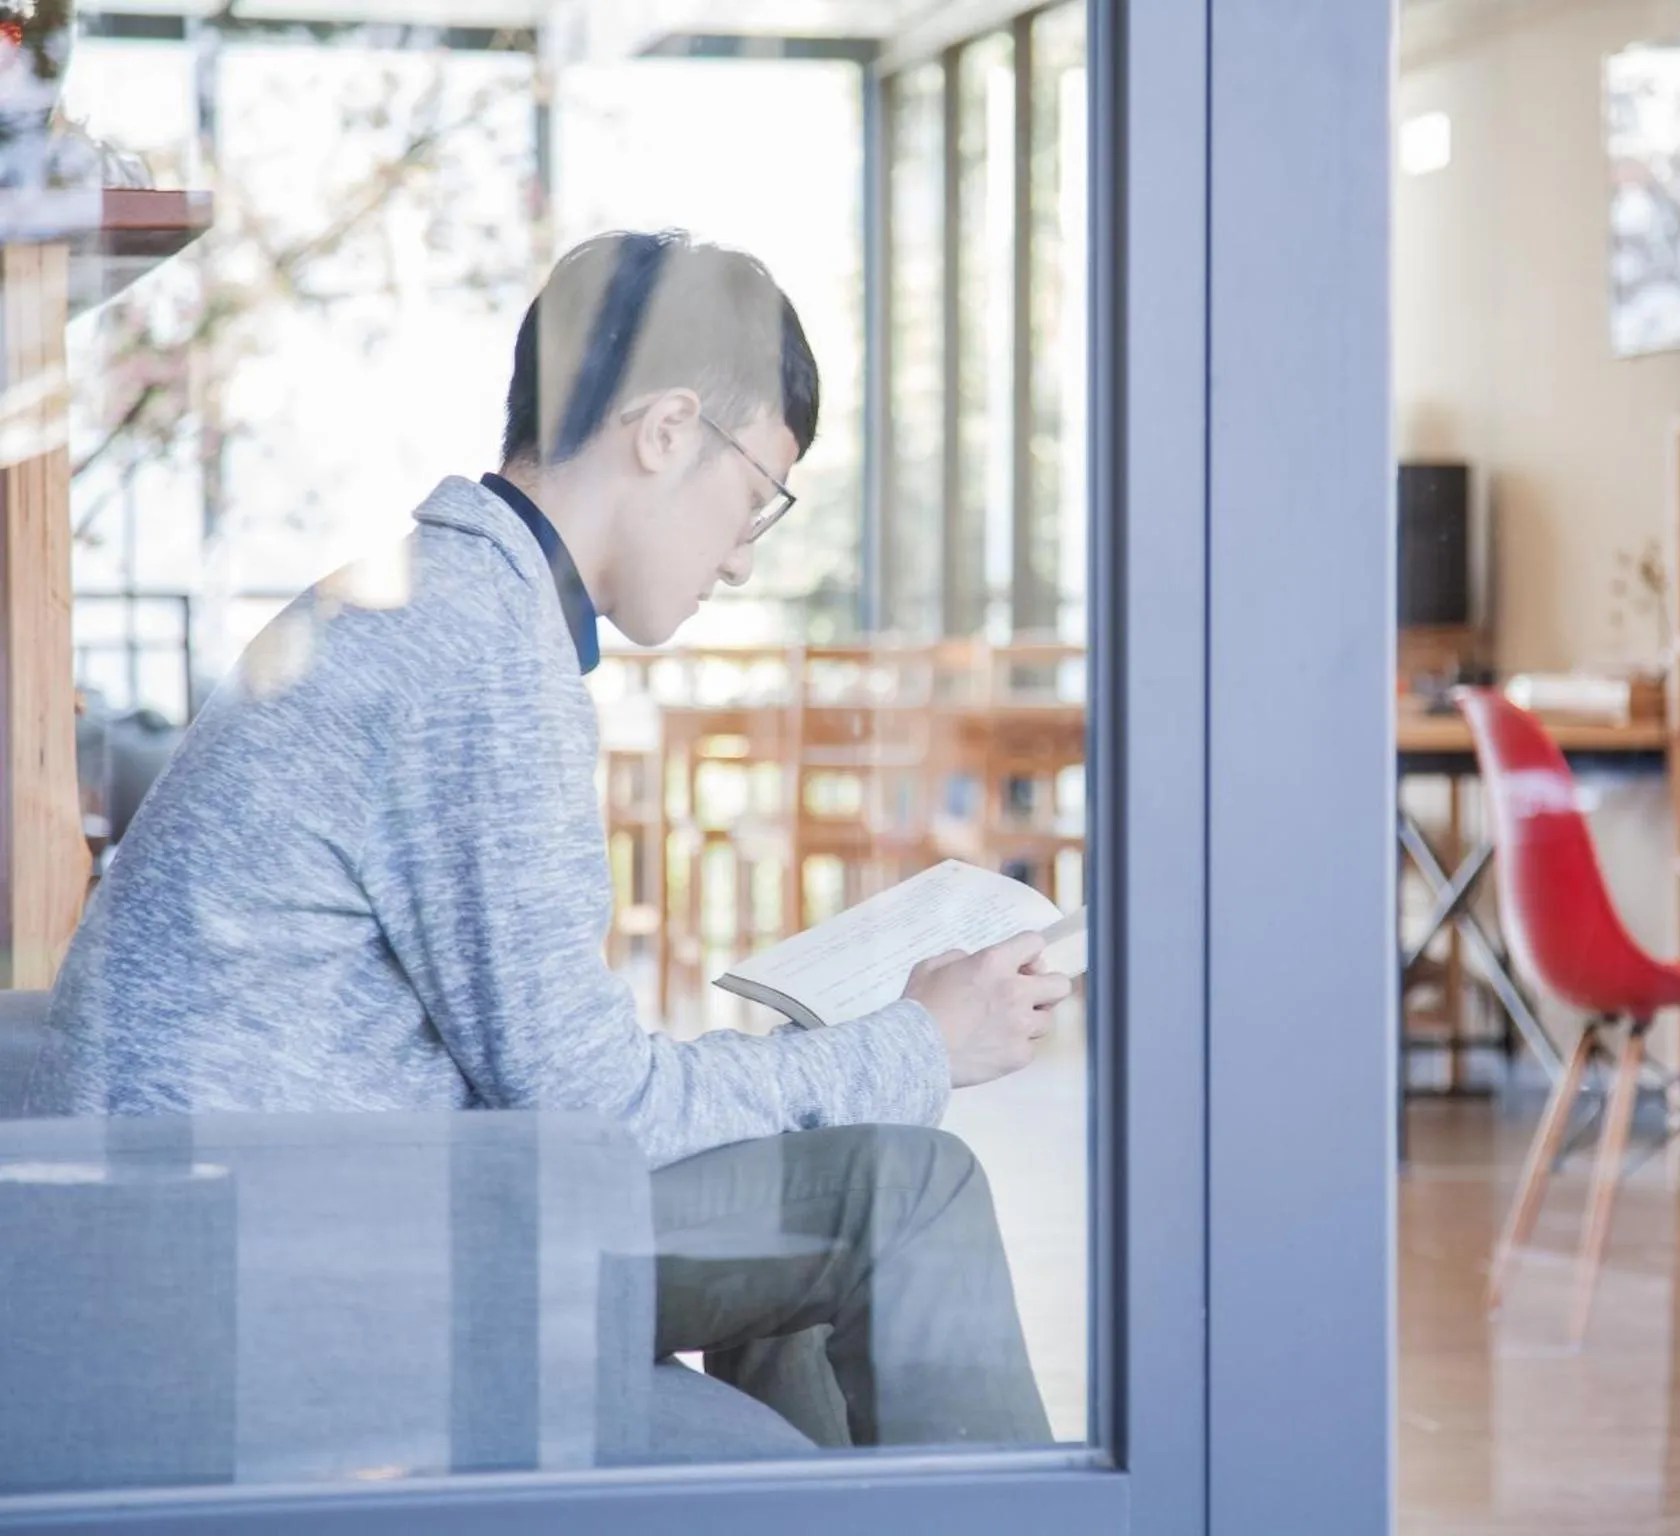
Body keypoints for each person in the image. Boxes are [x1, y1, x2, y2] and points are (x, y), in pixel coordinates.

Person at [26, 229, 1068, 1448]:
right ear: (667, 430)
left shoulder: (427, 600)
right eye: (757, 496)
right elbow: (593, 1113)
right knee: (905, 1184)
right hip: (286, 1254)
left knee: (814, 1164)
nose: (743, 554)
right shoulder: (478, 660)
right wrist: (918, 1040)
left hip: (248, 1212)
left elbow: (552, 1075)